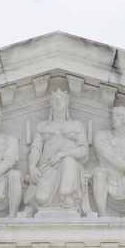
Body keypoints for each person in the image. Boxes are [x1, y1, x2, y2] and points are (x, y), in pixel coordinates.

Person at [24, 88, 92, 216]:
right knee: (41, 199)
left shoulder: (77, 126)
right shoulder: (42, 126)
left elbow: (84, 151)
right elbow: (36, 148)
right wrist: (32, 167)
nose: (58, 102)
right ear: (50, 103)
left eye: (62, 99)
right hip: (48, 167)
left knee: (69, 160)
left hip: (70, 168)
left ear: (68, 103)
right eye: (55, 100)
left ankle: (66, 196)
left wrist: (61, 154)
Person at [91, 106, 125, 217]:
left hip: (124, 181)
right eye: (113, 116)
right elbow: (113, 158)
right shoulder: (102, 136)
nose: (114, 119)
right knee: (99, 173)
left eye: (118, 116)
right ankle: (102, 214)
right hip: (105, 179)